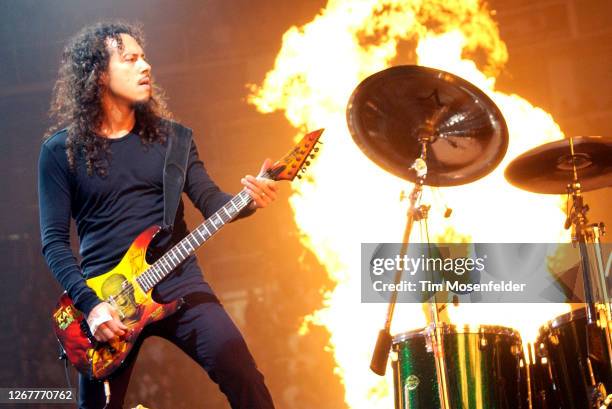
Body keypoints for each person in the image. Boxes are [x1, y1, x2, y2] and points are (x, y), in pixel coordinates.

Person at [38, 21, 277, 409]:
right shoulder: (60, 151)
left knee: (243, 373)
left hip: (179, 281)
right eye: (130, 59)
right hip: (106, 300)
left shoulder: (174, 139)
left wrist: (249, 198)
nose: (145, 66)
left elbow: (212, 200)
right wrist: (90, 306)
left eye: (145, 57)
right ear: (98, 75)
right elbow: (53, 242)